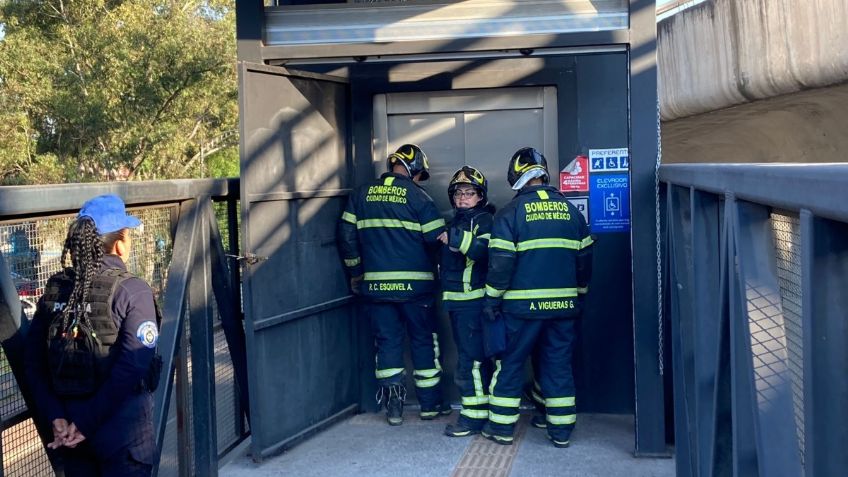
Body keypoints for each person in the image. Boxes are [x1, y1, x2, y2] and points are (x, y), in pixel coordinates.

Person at [24, 194, 160, 476]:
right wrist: (87, 422)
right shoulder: (132, 291)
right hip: (123, 435)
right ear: (120, 244)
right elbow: (133, 365)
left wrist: (56, 416)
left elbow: (33, 360)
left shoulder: (56, 288)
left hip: (69, 432)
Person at [481, 147, 593, 448]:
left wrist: (491, 299)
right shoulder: (571, 211)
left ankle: (502, 429)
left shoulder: (510, 213)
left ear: (516, 177)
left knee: (512, 364)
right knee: (557, 365)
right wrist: (579, 296)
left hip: (521, 310)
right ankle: (561, 431)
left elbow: (501, 264)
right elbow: (584, 261)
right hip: (563, 309)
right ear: (544, 174)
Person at [338, 144, 451, 425]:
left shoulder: (361, 194)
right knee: (424, 342)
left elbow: (346, 237)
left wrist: (357, 272)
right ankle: (430, 406)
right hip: (417, 290)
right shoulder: (419, 197)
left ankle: (394, 410)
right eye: (419, 174)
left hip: (375, 289)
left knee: (387, 344)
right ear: (413, 169)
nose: (419, 179)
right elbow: (437, 239)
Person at [438, 166, 496, 437]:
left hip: (472, 303)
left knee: (470, 363)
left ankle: (472, 419)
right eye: (458, 193)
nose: (462, 198)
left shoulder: (484, 220)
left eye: (469, 192)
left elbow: (485, 252)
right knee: (471, 360)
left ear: (480, 196)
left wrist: (457, 239)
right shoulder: (456, 221)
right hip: (457, 303)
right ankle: (479, 414)